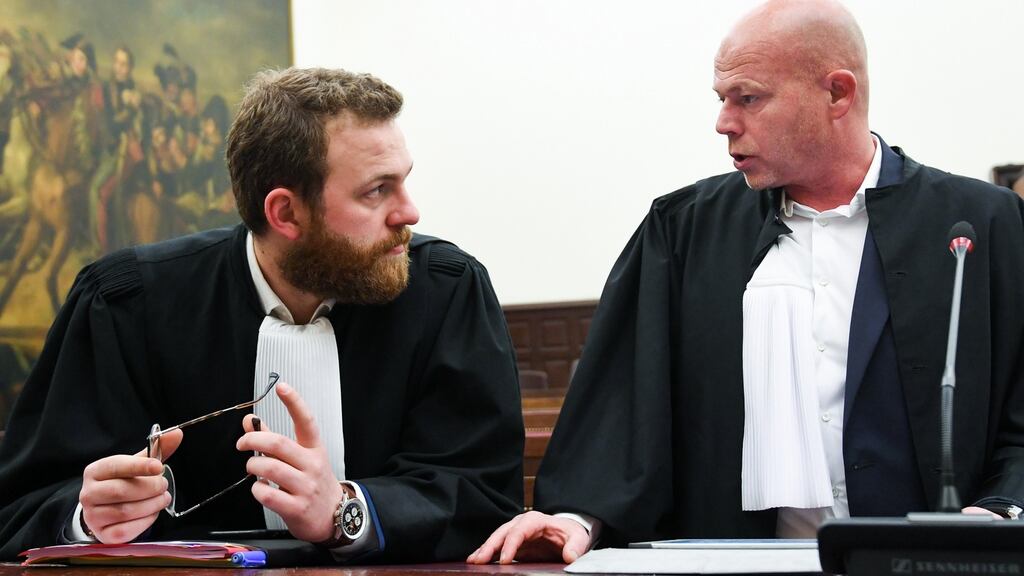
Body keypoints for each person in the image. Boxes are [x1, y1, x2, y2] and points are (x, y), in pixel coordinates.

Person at [469, 0, 1024, 564]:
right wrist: (579, 515)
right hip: (744, 558)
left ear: (837, 93)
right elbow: (626, 409)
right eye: (722, 99)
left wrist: (1004, 507)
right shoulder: (683, 230)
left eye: (749, 97)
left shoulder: (981, 227)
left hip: (934, 561)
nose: (724, 121)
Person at [0, 67, 524, 563]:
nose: (409, 212)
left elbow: (482, 495)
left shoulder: (447, 291)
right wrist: (87, 517)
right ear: (285, 212)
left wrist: (348, 510)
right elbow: (23, 506)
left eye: (404, 181)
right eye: (377, 190)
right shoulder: (124, 303)